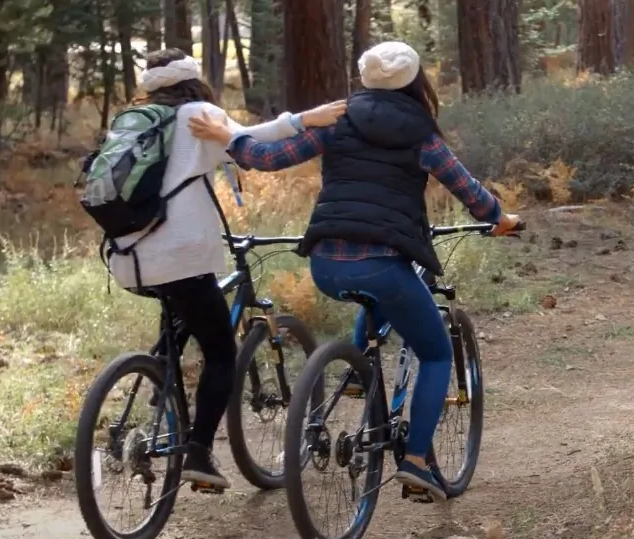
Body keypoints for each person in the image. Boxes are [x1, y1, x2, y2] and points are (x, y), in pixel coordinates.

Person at [188, 41, 521, 501]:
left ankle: (361, 374)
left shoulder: (337, 120)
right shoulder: (422, 135)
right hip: (385, 264)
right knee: (437, 352)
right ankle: (418, 462)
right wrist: (501, 219)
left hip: (326, 264)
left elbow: (266, 158)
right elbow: (470, 193)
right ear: (415, 81)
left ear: (364, 79)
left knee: (376, 300)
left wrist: (226, 136)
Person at [109, 48, 347, 490]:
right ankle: (197, 453)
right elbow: (252, 142)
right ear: (191, 79)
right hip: (182, 254)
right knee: (220, 353)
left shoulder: (132, 121)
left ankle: (155, 395)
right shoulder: (198, 112)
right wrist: (305, 119)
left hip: (128, 256)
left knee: (177, 325)